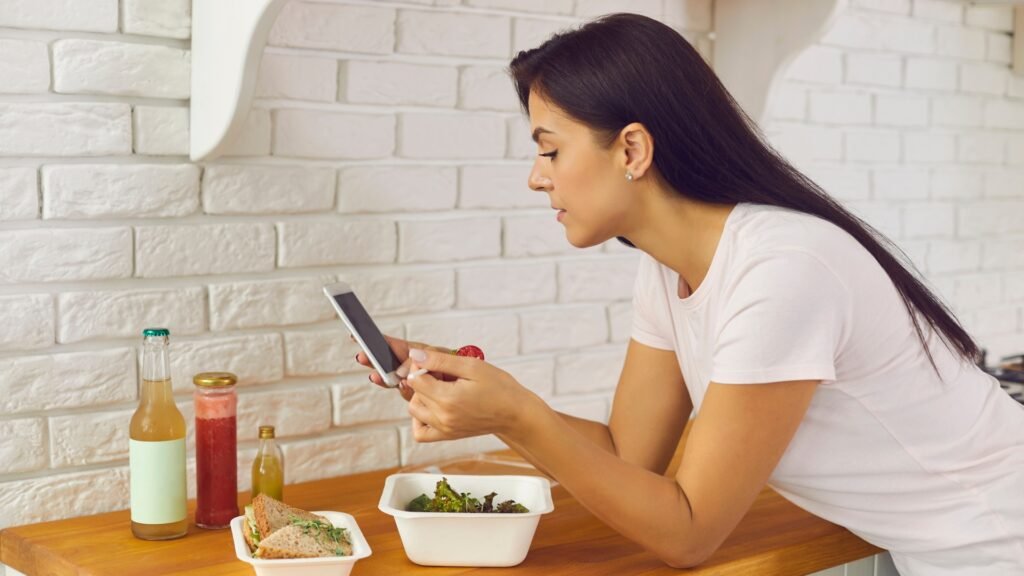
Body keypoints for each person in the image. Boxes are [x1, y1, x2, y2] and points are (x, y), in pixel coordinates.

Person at [355, 13, 1024, 575]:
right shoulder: (669, 269)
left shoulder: (782, 270)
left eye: (550, 151)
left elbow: (689, 532)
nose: (536, 179)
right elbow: (626, 454)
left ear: (633, 150)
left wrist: (515, 415)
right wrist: (475, 386)